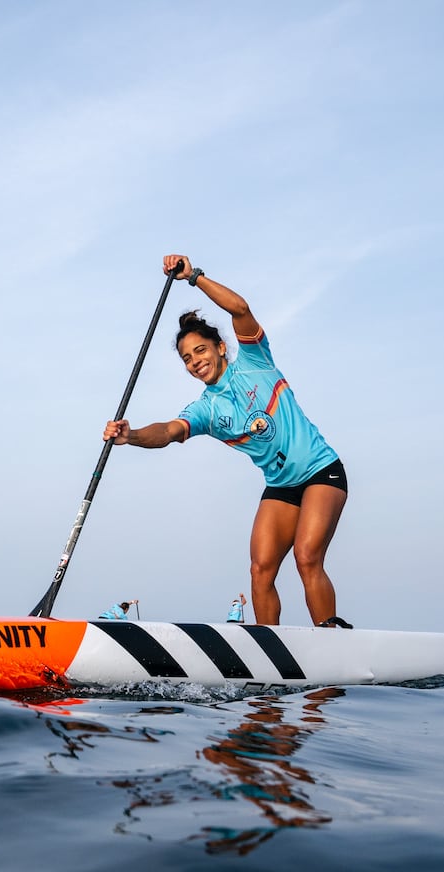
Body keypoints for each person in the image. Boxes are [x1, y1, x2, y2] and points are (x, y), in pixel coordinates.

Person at [104, 254, 350, 628]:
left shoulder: (255, 361)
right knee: (260, 569)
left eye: (200, 350)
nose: (194, 361)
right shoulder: (205, 409)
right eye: (187, 358)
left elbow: (241, 309)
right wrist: (131, 436)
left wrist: (195, 277)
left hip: (321, 472)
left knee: (306, 557)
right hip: (282, 486)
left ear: (220, 346)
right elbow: (169, 431)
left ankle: (332, 639)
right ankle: (270, 649)